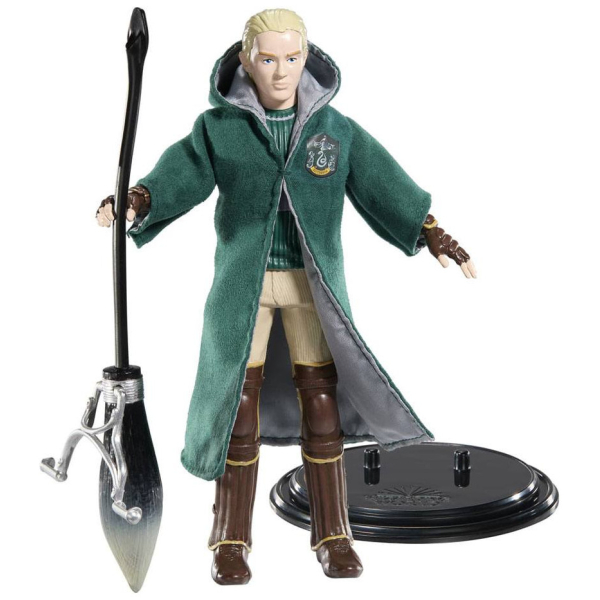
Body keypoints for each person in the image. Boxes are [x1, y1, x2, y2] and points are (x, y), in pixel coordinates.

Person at [97, 8, 476, 585]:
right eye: (268, 59)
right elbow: (182, 172)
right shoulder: (219, 129)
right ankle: (229, 538)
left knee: (321, 404)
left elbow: (382, 182)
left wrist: (429, 231)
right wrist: (138, 200)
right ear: (245, 61)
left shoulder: (334, 130)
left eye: (292, 59)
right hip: (243, 288)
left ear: (307, 59)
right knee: (237, 407)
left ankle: (333, 533)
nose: (280, 72)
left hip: (310, 285)